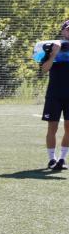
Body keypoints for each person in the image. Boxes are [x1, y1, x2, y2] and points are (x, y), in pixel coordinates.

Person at [40, 19, 69, 172]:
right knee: (52, 127)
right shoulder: (51, 47)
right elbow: (44, 70)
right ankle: (52, 159)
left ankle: (62, 159)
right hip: (54, 94)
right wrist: (53, 55)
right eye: (68, 29)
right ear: (63, 31)